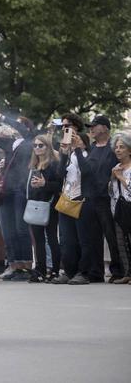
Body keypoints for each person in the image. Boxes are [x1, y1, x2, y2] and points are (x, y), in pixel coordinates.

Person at [0, 106, 35, 279]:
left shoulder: (29, 142)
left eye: (17, 124)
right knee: (9, 231)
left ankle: (26, 266)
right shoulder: (11, 144)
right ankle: (14, 265)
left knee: (21, 229)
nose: (14, 126)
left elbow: (24, 129)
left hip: (20, 190)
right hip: (7, 191)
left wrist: (1, 116)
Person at [74, 115, 124, 283]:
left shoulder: (114, 147)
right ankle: (95, 272)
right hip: (90, 198)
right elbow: (85, 170)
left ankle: (119, 271)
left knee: (112, 236)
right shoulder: (92, 148)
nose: (91, 129)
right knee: (93, 237)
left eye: (94, 126)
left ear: (104, 128)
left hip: (107, 199)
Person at [26, 134, 62, 282]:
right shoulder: (33, 165)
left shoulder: (54, 164)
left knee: (52, 238)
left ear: (48, 147)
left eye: (41, 145)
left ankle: (55, 270)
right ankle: (40, 270)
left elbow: (59, 186)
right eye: (35, 146)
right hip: (35, 204)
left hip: (50, 205)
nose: (37, 148)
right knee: (38, 239)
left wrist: (44, 184)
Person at [54, 130, 88, 284]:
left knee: (82, 239)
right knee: (67, 240)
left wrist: (78, 150)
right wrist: (64, 154)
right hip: (66, 199)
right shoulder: (70, 155)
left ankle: (83, 272)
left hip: (81, 199)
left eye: (77, 139)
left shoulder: (87, 155)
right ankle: (69, 271)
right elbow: (59, 174)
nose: (74, 141)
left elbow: (86, 171)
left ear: (84, 142)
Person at [108, 132, 131, 283]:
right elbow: (111, 191)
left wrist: (121, 177)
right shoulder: (116, 167)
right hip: (119, 209)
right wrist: (112, 178)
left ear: (129, 150)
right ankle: (127, 273)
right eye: (116, 147)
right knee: (122, 243)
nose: (118, 150)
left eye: (121, 147)